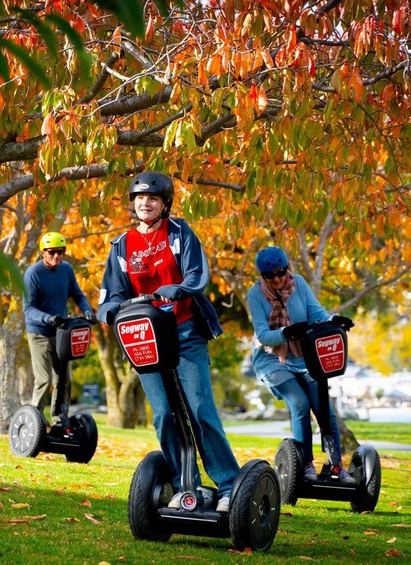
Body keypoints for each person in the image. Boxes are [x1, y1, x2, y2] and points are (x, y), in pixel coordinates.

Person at [97, 171, 239, 513]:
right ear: (133, 203)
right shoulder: (121, 246)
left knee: (200, 408)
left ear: (164, 204)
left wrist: (177, 288)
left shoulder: (180, 233)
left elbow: (197, 275)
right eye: (140, 198)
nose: (145, 203)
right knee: (162, 414)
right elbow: (109, 296)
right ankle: (182, 485)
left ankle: (229, 485)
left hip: (185, 331)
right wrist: (111, 311)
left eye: (153, 199)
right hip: (146, 340)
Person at [247, 246, 356, 483]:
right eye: (270, 276)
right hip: (271, 358)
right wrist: (287, 331)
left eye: (280, 272)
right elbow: (264, 335)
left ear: (287, 269)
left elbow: (317, 313)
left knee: (324, 408)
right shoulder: (255, 294)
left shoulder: (299, 284)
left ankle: (335, 466)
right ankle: (305, 464)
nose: (276, 279)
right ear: (262, 276)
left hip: (304, 356)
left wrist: (333, 320)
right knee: (299, 402)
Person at [23, 231, 96, 430]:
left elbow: (78, 295)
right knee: (44, 380)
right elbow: (28, 309)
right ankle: (33, 421)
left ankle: (59, 421)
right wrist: (48, 318)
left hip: (61, 332)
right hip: (39, 332)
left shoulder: (66, 270)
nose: (56, 256)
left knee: (64, 379)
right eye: (52, 252)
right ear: (43, 253)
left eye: (60, 252)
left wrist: (88, 311)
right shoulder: (33, 274)